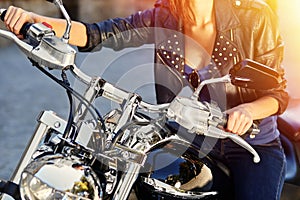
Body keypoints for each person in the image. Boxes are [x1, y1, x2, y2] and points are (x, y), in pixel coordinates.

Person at [3, 0, 289, 199]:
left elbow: (277, 92)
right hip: (190, 140)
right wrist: (36, 21)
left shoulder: (253, 17)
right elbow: (98, 34)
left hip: (250, 145)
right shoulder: (163, 16)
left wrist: (247, 111)